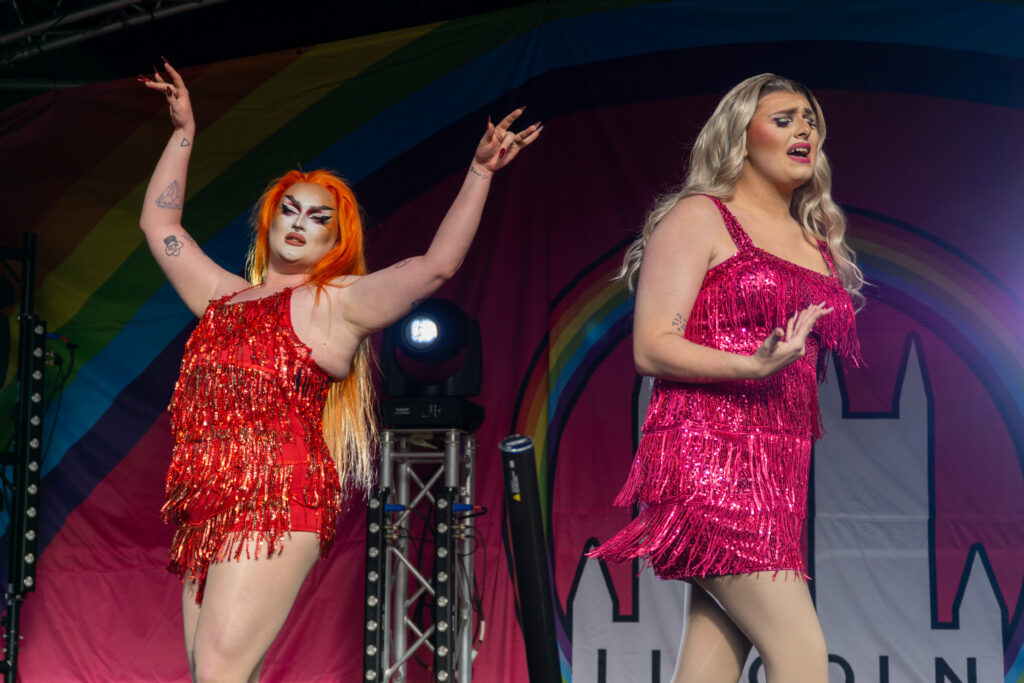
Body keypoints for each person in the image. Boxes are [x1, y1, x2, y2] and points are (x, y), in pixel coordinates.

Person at [139, 60, 540, 682]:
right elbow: (159, 224)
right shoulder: (221, 298)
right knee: (211, 673)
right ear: (270, 219)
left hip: (278, 496)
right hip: (208, 499)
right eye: (290, 210)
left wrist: (480, 172)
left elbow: (435, 266)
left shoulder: (336, 303)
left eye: (318, 218)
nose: (300, 223)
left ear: (335, 242)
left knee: (218, 671)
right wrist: (184, 131)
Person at [588, 74, 862, 682]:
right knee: (801, 654)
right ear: (740, 136)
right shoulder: (700, 217)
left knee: (709, 670)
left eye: (810, 120)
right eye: (784, 119)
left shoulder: (815, 239)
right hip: (707, 462)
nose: (804, 129)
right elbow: (651, 346)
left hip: (780, 477)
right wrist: (751, 365)